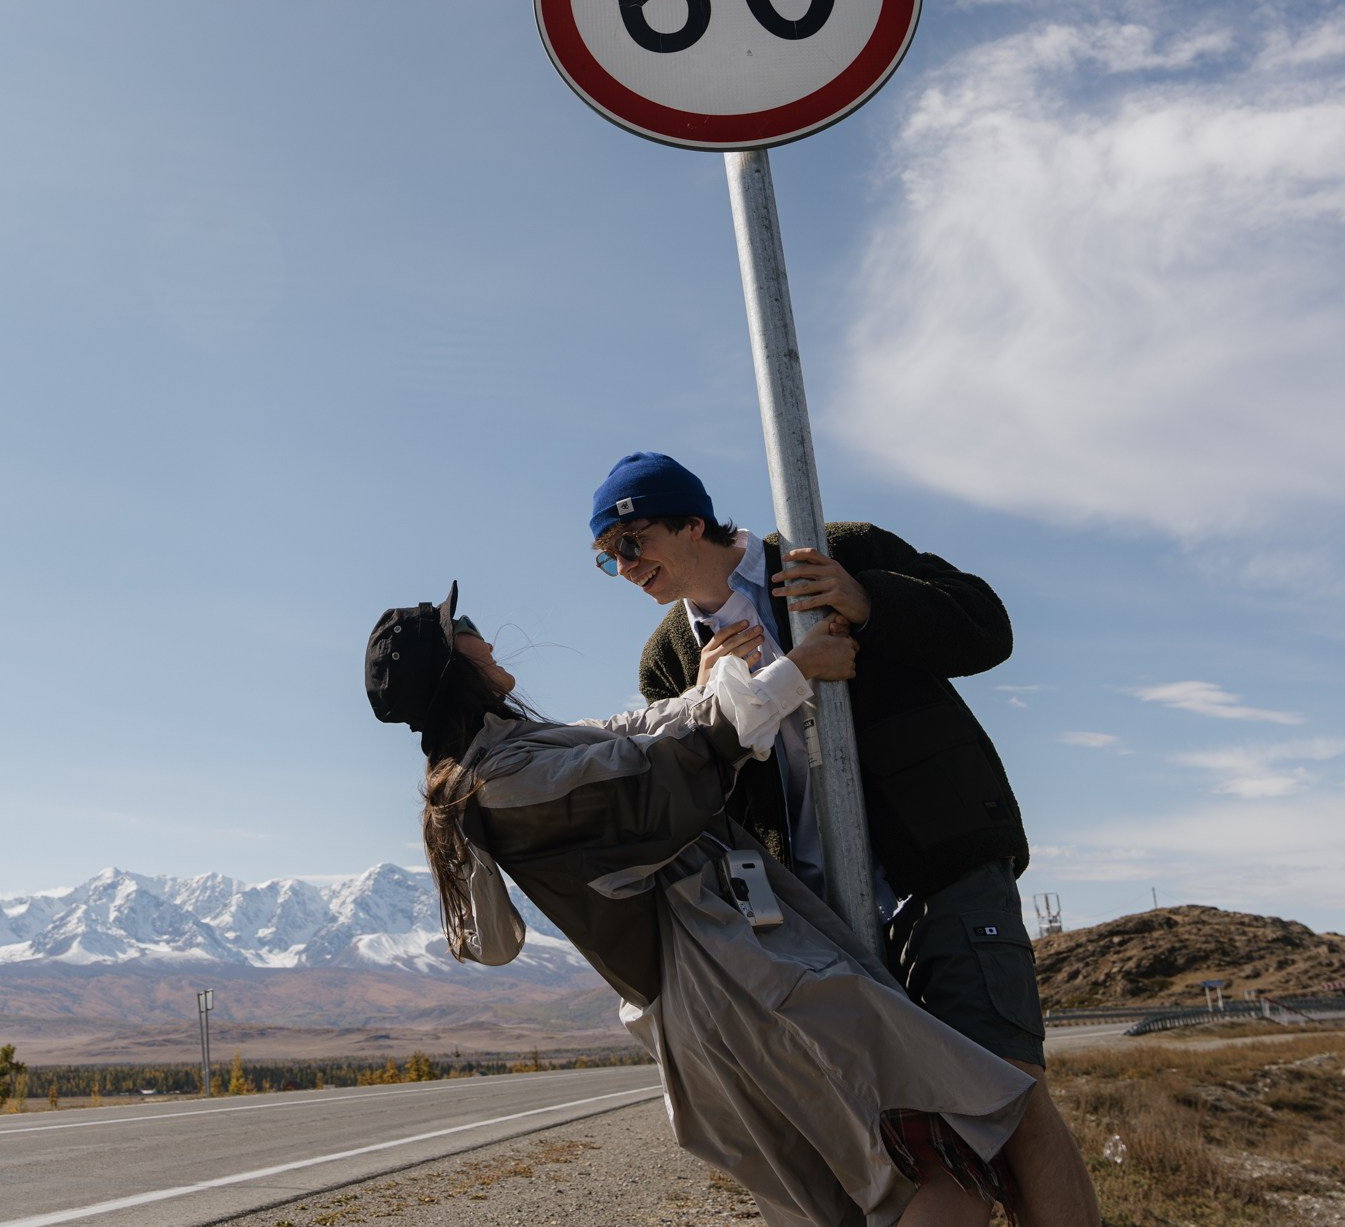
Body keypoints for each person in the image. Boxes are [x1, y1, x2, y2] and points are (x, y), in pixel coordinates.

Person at [365, 583, 1039, 1227]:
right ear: (455, 665)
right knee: (942, 1167)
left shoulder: (509, 755)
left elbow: (634, 733)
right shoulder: (503, 783)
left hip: (734, 984)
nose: (487, 638)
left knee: (865, 1198)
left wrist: (710, 687)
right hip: (738, 985)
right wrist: (791, 672)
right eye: (468, 631)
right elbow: (656, 776)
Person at [587, 451, 1096, 1225]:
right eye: (606, 558)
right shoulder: (670, 659)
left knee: (1011, 1091)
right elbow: (688, 797)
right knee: (919, 1132)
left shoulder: (839, 547)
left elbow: (987, 628)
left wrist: (869, 600)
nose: (624, 568)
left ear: (693, 520)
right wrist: (702, 708)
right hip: (817, 918)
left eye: (631, 543)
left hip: (941, 865)